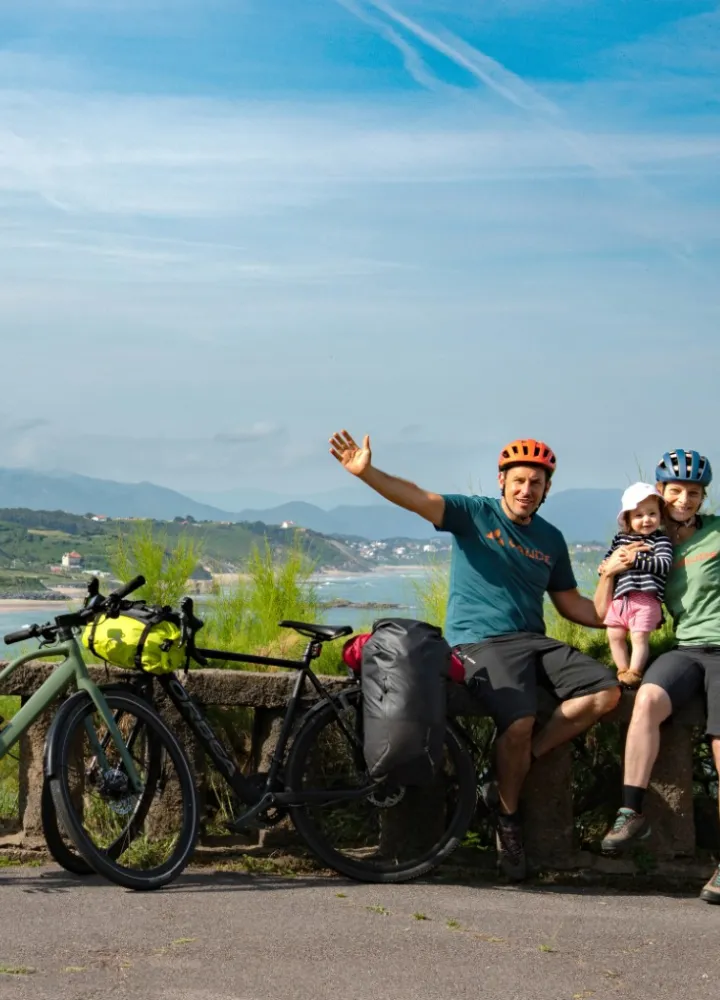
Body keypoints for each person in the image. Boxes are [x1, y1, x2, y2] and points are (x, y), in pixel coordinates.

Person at [329, 429, 620, 881]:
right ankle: (507, 819)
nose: (526, 490)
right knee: (519, 721)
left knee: (605, 692)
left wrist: (624, 606)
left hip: (534, 640)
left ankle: (507, 770)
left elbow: (574, 606)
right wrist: (367, 472)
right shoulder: (472, 514)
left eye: (536, 483)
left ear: (546, 490)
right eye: (519, 480)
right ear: (501, 481)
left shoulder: (551, 538)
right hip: (480, 642)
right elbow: (416, 496)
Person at [596, 449, 720, 905]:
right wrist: (608, 572)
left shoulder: (716, 532)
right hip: (686, 648)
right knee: (646, 698)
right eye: (676, 492)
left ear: (703, 496)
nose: (684, 500)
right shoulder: (651, 537)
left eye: (693, 492)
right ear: (660, 495)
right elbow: (605, 607)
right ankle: (631, 812)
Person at [601, 483, 673, 688]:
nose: (646, 520)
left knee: (639, 636)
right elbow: (610, 558)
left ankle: (635, 671)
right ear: (627, 519)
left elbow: (664, 564)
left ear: (660, 515)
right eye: (639, 515)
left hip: (645, 598)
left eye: (652, 514)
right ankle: (622, 670)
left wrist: (636, 560)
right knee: (614, 634)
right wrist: (605, 566)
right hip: (620, 599)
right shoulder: (620, 539)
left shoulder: (660, 541)